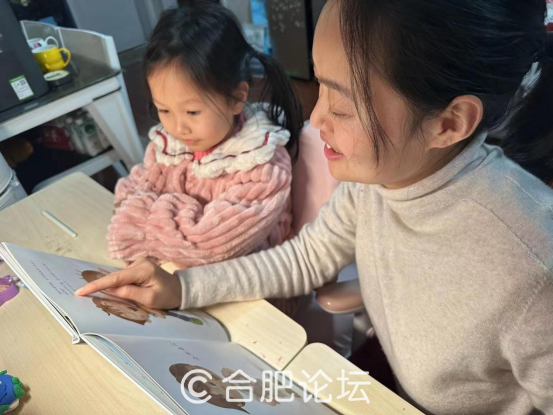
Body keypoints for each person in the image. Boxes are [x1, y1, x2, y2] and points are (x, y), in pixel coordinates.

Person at [77, 0, 553, 413]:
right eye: (320, 86)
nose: (317, 116)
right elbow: (306, 257)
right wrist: (182, 287)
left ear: (449, 123)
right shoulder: (380, 178)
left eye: (342, 106)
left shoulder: (532, 270)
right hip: (386, 383)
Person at [106, 1, 302, 275]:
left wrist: (144, 219)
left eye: (192, 112)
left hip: (250, 285)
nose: (178, 127)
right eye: (164, 110)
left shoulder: (261, 161)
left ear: (237, 98)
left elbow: (207, 245)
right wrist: (175, 221)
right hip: (178, 275)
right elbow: (127, 194)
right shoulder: (168, 145)